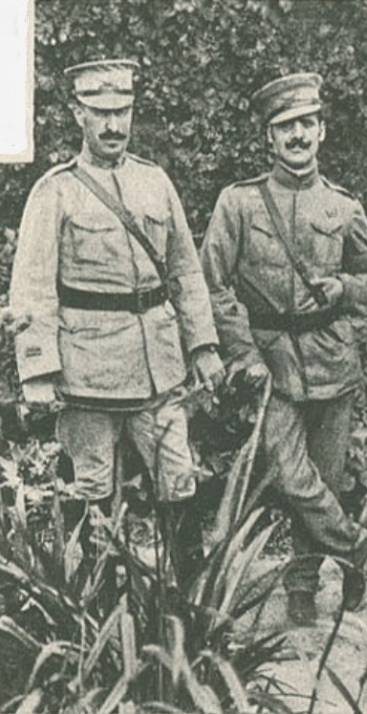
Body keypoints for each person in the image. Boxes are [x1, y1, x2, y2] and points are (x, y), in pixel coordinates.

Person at [10, 59, 224, 592]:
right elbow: (32, 286)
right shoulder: (55, 191)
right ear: (77, 114)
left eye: (122, 111)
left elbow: (184, 270)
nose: (113, 126)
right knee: (93, 490)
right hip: (89, 372)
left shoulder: (154, 182)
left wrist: (203, 345)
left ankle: (187, 606)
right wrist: (38, 371)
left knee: (179, 481)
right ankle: (98, 610)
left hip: (158, 367)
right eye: (101, 113)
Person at [201, 73, 367, 626]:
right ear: (269, 138)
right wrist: (243, 354)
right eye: (286, 127)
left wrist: (345, 289)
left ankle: (304, 590)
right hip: (270, 360)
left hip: (333, 358)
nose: (298, 135)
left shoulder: (343, 206)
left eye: (307, 123)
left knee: (323, 480)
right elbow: (213, 283)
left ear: (322, 131)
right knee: (288, 473)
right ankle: (356, 549)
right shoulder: (237, 204)